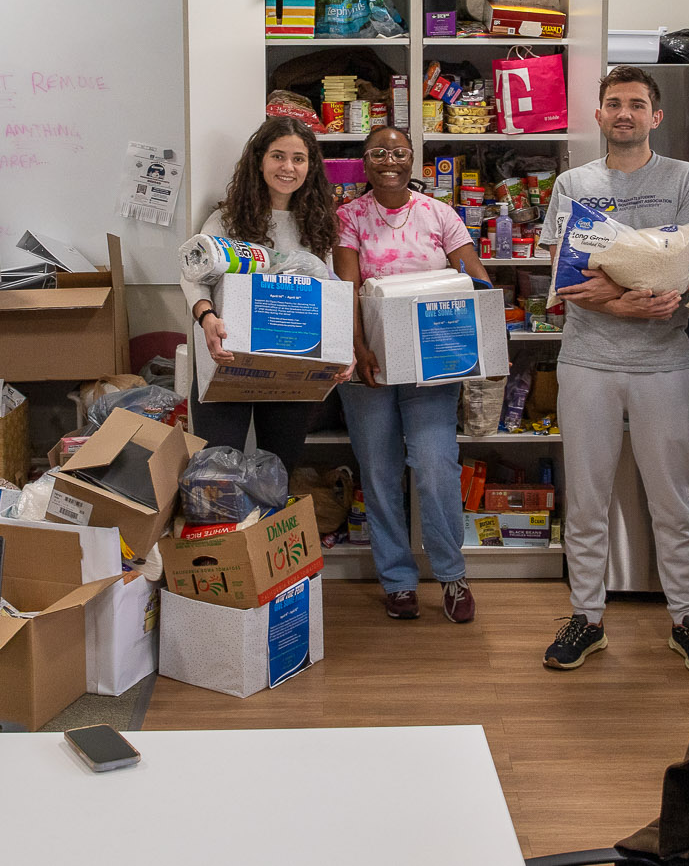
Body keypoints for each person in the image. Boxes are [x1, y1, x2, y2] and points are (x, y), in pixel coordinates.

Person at [541, 67, 689, 674]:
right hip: (587, 363)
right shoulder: (572, 183)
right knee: (587, 500)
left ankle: (687, 619)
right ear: (597, 115)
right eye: (614, 104)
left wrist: (621, 284)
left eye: (637, 105)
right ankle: (586, 619)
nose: (625, 113)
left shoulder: (686, 180)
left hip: (664, 366)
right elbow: (565, 279)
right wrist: (626, 300)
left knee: (673, 501)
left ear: (656, 116)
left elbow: (687, 274)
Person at [331, 125, 490, 622]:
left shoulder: (439, 214)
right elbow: (347, 287)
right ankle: (397, 580)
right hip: (371, 366)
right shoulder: (348, 216)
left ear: (412, 159)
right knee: (378, 473)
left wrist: (482, 321)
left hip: (432, 365)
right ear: (365, 162)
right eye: (378, 152)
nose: (390, 160)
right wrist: (359, 348)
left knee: (436, 464)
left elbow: (474, 275)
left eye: (399, 152)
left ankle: (452, 575)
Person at [180, 116, 350, 472]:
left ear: (310, 166)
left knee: (279, 471)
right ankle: (226, 532)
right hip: (226, 359)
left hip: (291, 365)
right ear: (259, 160)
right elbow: (193, 275)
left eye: (299, 159)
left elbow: (328, 291)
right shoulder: (226, 220)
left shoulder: (317, 225)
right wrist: (206, 317)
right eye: (278, 156)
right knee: (219, 471)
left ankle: (269, 528)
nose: (288, 167)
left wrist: (340, 348)